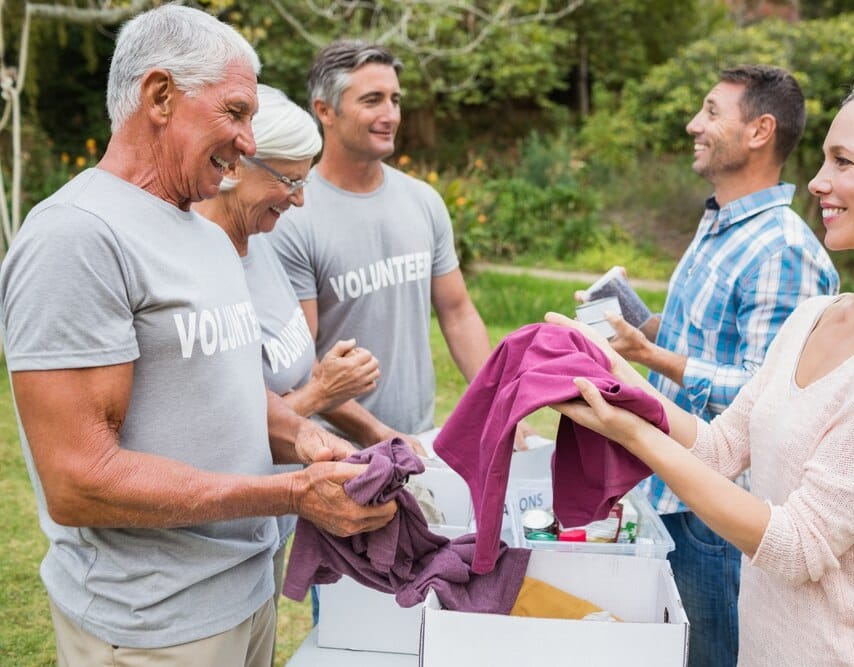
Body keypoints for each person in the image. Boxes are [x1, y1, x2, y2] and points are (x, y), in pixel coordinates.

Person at [551, 71, 854, 665]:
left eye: (844, 161)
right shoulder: (814, 316)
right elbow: (720, 448)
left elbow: (798, 546)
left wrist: (630, 432)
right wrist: (614, 377)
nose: (818, 181)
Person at [0, 7, 394, 666]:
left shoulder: (205, 234)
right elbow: (77, 481)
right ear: (159, 96)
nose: (248, 140)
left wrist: (303, 437)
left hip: (247, 593)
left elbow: (228, 388)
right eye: (236, 113)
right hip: (154, 623)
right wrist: (290, 493)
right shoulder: (76, 235)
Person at [589, 65, 838, 666]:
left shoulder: (782, 249)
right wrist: (635, 320)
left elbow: (769, 393)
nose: (692, 125)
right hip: (674, 485)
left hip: (720, 514)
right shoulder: (722, 224)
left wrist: (650, 357)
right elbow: (700, 341)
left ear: (759, 131)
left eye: (710, 111)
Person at [192, 83, 382, 655]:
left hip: (268, 531)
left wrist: (375, 432)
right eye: (289, 181)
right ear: (235, 166)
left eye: (305, 182)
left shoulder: (263, 244)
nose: (299, 200)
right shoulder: (199, 267)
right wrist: (320, 394)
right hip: (210, 547)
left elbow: (286, 380)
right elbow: (217, 428)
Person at [269, 39, 523, 451]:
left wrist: (503, 404)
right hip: (338, 453)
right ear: (324, 110)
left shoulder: (423, 201)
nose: (390, 115)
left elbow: (457, 313)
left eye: (395, 100)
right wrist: (377, 433)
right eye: (372, 100)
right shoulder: (293, 214)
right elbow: (301, 363)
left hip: (418, 439)